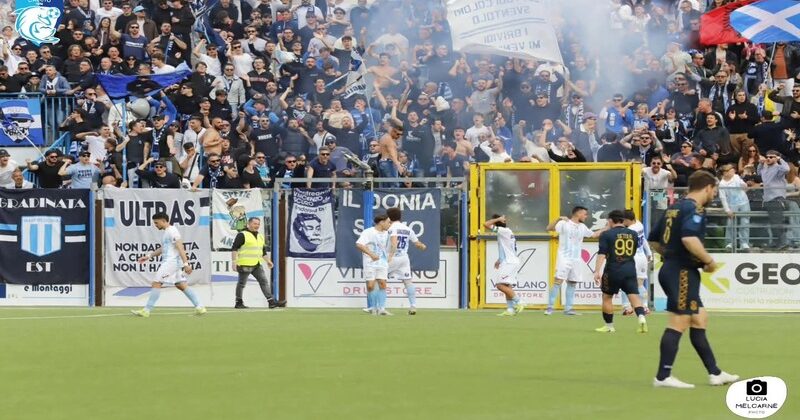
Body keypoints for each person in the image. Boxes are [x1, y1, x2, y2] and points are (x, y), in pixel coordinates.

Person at [648, 171, 738, 388]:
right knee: (679, 321)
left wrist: (671, 255)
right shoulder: (694, 209)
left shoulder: (673, 207)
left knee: (699, 318)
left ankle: (715, 373)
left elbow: (653, 240)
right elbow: (689, 239)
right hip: (681, 272)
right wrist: (709, 261)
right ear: (707, 187)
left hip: (674, 269)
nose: (714, 195)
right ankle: (663, 376)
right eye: (714, 190)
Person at [132, 212, 207, 317]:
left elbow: (180, 247)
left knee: (156, 283)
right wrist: (148, 256)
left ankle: (146, 310)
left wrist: (186, 264)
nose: (155, 225)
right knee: (180, 284)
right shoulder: (167, 232)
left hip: (171, 263)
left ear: (163, 221)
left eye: (156, 223)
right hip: (173, 263)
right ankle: (200, 307)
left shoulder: (172, 231)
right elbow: (163, 249)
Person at [593, 210, 648, 334]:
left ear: (610, 220)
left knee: (607, 297)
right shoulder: (633, 234)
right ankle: (641, 318)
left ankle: (609, 326)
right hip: (630, 269)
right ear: (623, 220)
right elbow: (634, 250)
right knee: (634, 296)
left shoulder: (606, 234)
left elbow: (602, 253)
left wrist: (597, 271)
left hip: (613, 269)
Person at [545, 206, 605, 315]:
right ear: (578, 213)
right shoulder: (564, 223)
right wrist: (558, 219)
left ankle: (568, 309)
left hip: (576, 259)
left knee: (572, 282)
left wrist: (607, 227)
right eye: (585, 214)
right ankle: (550, 307)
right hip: (564, 258)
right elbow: (549, 228)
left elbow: (593, 235)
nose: (586, 216)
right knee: (558, 281)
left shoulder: (582, 227)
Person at [230, 217, 286, 309]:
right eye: (255, 223)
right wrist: (234, 262)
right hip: (245, 264)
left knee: (264, 281)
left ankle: (271, 302)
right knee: (241, 284)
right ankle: (238, 302)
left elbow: (262, 251)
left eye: (258, 224)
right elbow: (234, 248)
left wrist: (268, 261)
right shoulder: (242, 235)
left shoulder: (260, 236)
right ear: (249, 224)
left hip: (257, 264)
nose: (257, 226)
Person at [386, 207, 427, 315]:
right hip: (403, 258)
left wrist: (390, 256)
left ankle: (379, 306)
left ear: (389, 218)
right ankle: (413, 306)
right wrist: (423, 246)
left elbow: (393, 243)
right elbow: (417, 243)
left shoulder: (391, 228)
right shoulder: (407, 229)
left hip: (391, 256)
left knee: (379, 279)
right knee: (408, 282)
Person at [484, 214, 524, 316]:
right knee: (507, 285)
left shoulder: (503, 231)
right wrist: (499, 259)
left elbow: (486, 224)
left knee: (500, 285)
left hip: (509, 262)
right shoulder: (506, 232)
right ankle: (510, 309)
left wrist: (498, 219)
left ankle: (519, 302)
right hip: (510, 261)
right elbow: (508, 249)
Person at [355, 214, 392, 315]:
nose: (389, 224)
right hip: (370, 262)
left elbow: (391, 246)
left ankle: (382, 308)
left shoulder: (388, 234)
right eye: (388, 222)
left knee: (382, 283)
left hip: (382, 262)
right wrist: (371, 254)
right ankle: (373, 307)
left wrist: (390, 256)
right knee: (371, 285)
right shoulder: (368, 232)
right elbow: (359, 244)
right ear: (381, 222)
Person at [620, 210, 653, 315]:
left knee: (625, 282)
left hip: (632, 258)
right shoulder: (639, 224)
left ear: (627, 220)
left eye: (623, 220)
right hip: (642, 257)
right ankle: (645, 307)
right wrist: (649, 252)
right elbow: (643, 239)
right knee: (640, 284)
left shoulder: (629, 231)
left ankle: (627, 307)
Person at [718, 164, 751, 250]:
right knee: (730, 223)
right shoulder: (722, 184)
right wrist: (727, 210)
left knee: (745, 222)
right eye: (730, 170)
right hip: (732, 204)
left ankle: (744, 243)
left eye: (733, 170)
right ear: (725, 173)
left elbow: (742, 184)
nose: (733, 171)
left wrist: (744, 185)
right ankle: (729, 243)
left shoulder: (736, 177)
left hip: (744, 202)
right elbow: (723, 198)